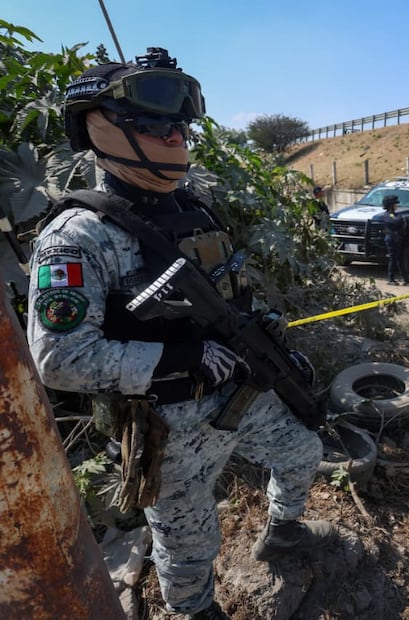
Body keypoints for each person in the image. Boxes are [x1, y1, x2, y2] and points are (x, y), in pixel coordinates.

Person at [27, 48, 334, 620]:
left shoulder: (195, 206)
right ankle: (195, 609)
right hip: (167, 422)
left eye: (180, 124)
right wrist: (183, 358)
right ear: (98, 129)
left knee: (303, 450)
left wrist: (274, 341)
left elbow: (232, 288)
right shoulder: (77, 236)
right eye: (152, 124)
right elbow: (59, 359)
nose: (175, 138)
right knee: (189, 542)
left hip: (242, 390)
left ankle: (282, 532)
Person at [382, 194, 409, 285]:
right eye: (395, 204)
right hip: (392, 238)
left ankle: (405, 278)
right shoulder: (388, 215)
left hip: (398, 238)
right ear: (390, 205)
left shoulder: (395, 214)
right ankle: (391, 279)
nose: (396, 206)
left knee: (401, 258)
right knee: (393, 258)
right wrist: (401, 218)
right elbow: (396, 221)